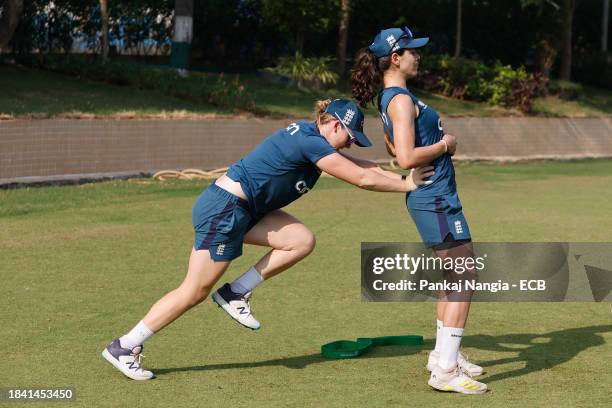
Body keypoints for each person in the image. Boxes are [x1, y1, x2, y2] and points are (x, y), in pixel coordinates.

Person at [102, 98, 434, 380]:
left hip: (244, 210)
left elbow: (362, 165)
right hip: (226, 210)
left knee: (300, 239)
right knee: (193, 291)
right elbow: (361, 178)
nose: (350, 144)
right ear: (333, 125)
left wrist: (403, 170)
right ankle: (125, 346)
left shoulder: (312, 139)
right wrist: (407, 185)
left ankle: (235, 292)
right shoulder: (310, 142)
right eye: (349, 137)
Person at [351, 27, 487, 394]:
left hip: (437, 196)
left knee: (453, 275)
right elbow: (406, 157)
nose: (418, 56)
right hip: (435, 198)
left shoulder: (397, 98)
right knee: (465, 274)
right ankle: (444, 371)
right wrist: (446, 144)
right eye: (412, 51)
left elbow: (396, 152)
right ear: (395, 58)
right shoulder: (398, 100)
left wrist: (416, 157)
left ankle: (444, 355)